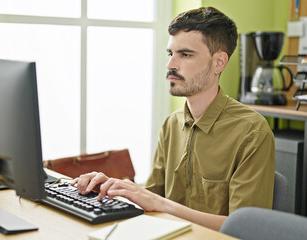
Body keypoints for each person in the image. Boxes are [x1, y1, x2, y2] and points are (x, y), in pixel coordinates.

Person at [72, 6, 275, 231]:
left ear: (219, 63)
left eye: (185, 54)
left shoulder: (253, 132)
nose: (170, 65)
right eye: (171, 54)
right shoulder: (171, 124)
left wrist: (161, 204)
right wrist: (110, 188)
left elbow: (245, 229)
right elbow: (150, 198)